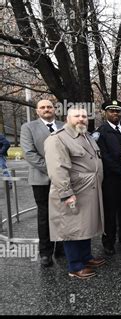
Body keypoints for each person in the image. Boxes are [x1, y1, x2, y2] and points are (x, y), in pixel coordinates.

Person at [44, 106, 105, 279]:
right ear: (67, 118)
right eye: (77, 116)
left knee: (84, 225)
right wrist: (66, 193)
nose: (81, 119)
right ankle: (75, 266)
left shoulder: (86, 135)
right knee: (71, 228)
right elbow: (58, 169)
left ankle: (86, 257)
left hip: (88, 191)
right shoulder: (58, 139)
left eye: (84, 116)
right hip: (73, 191)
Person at [20, 99, 65, 267]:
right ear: (37, 111)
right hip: (41, 179)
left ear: (55, 109)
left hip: (63, 179)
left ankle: (61, 247)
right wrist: (53, 170)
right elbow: (29, 153)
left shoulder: (64, 125)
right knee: (45, 216)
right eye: (42, 107)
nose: (46, 109)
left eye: (49, 107)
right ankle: (45, 252)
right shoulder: (28, 127)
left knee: (63, 213)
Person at [94, 100, 121, 256]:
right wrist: (120, 170)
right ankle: (108, 242)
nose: (115, 114)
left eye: (117, 111)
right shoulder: (100, 132)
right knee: (110, 212)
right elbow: (103, 155)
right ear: (106, 113)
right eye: (112, 111)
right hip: (111, 179)